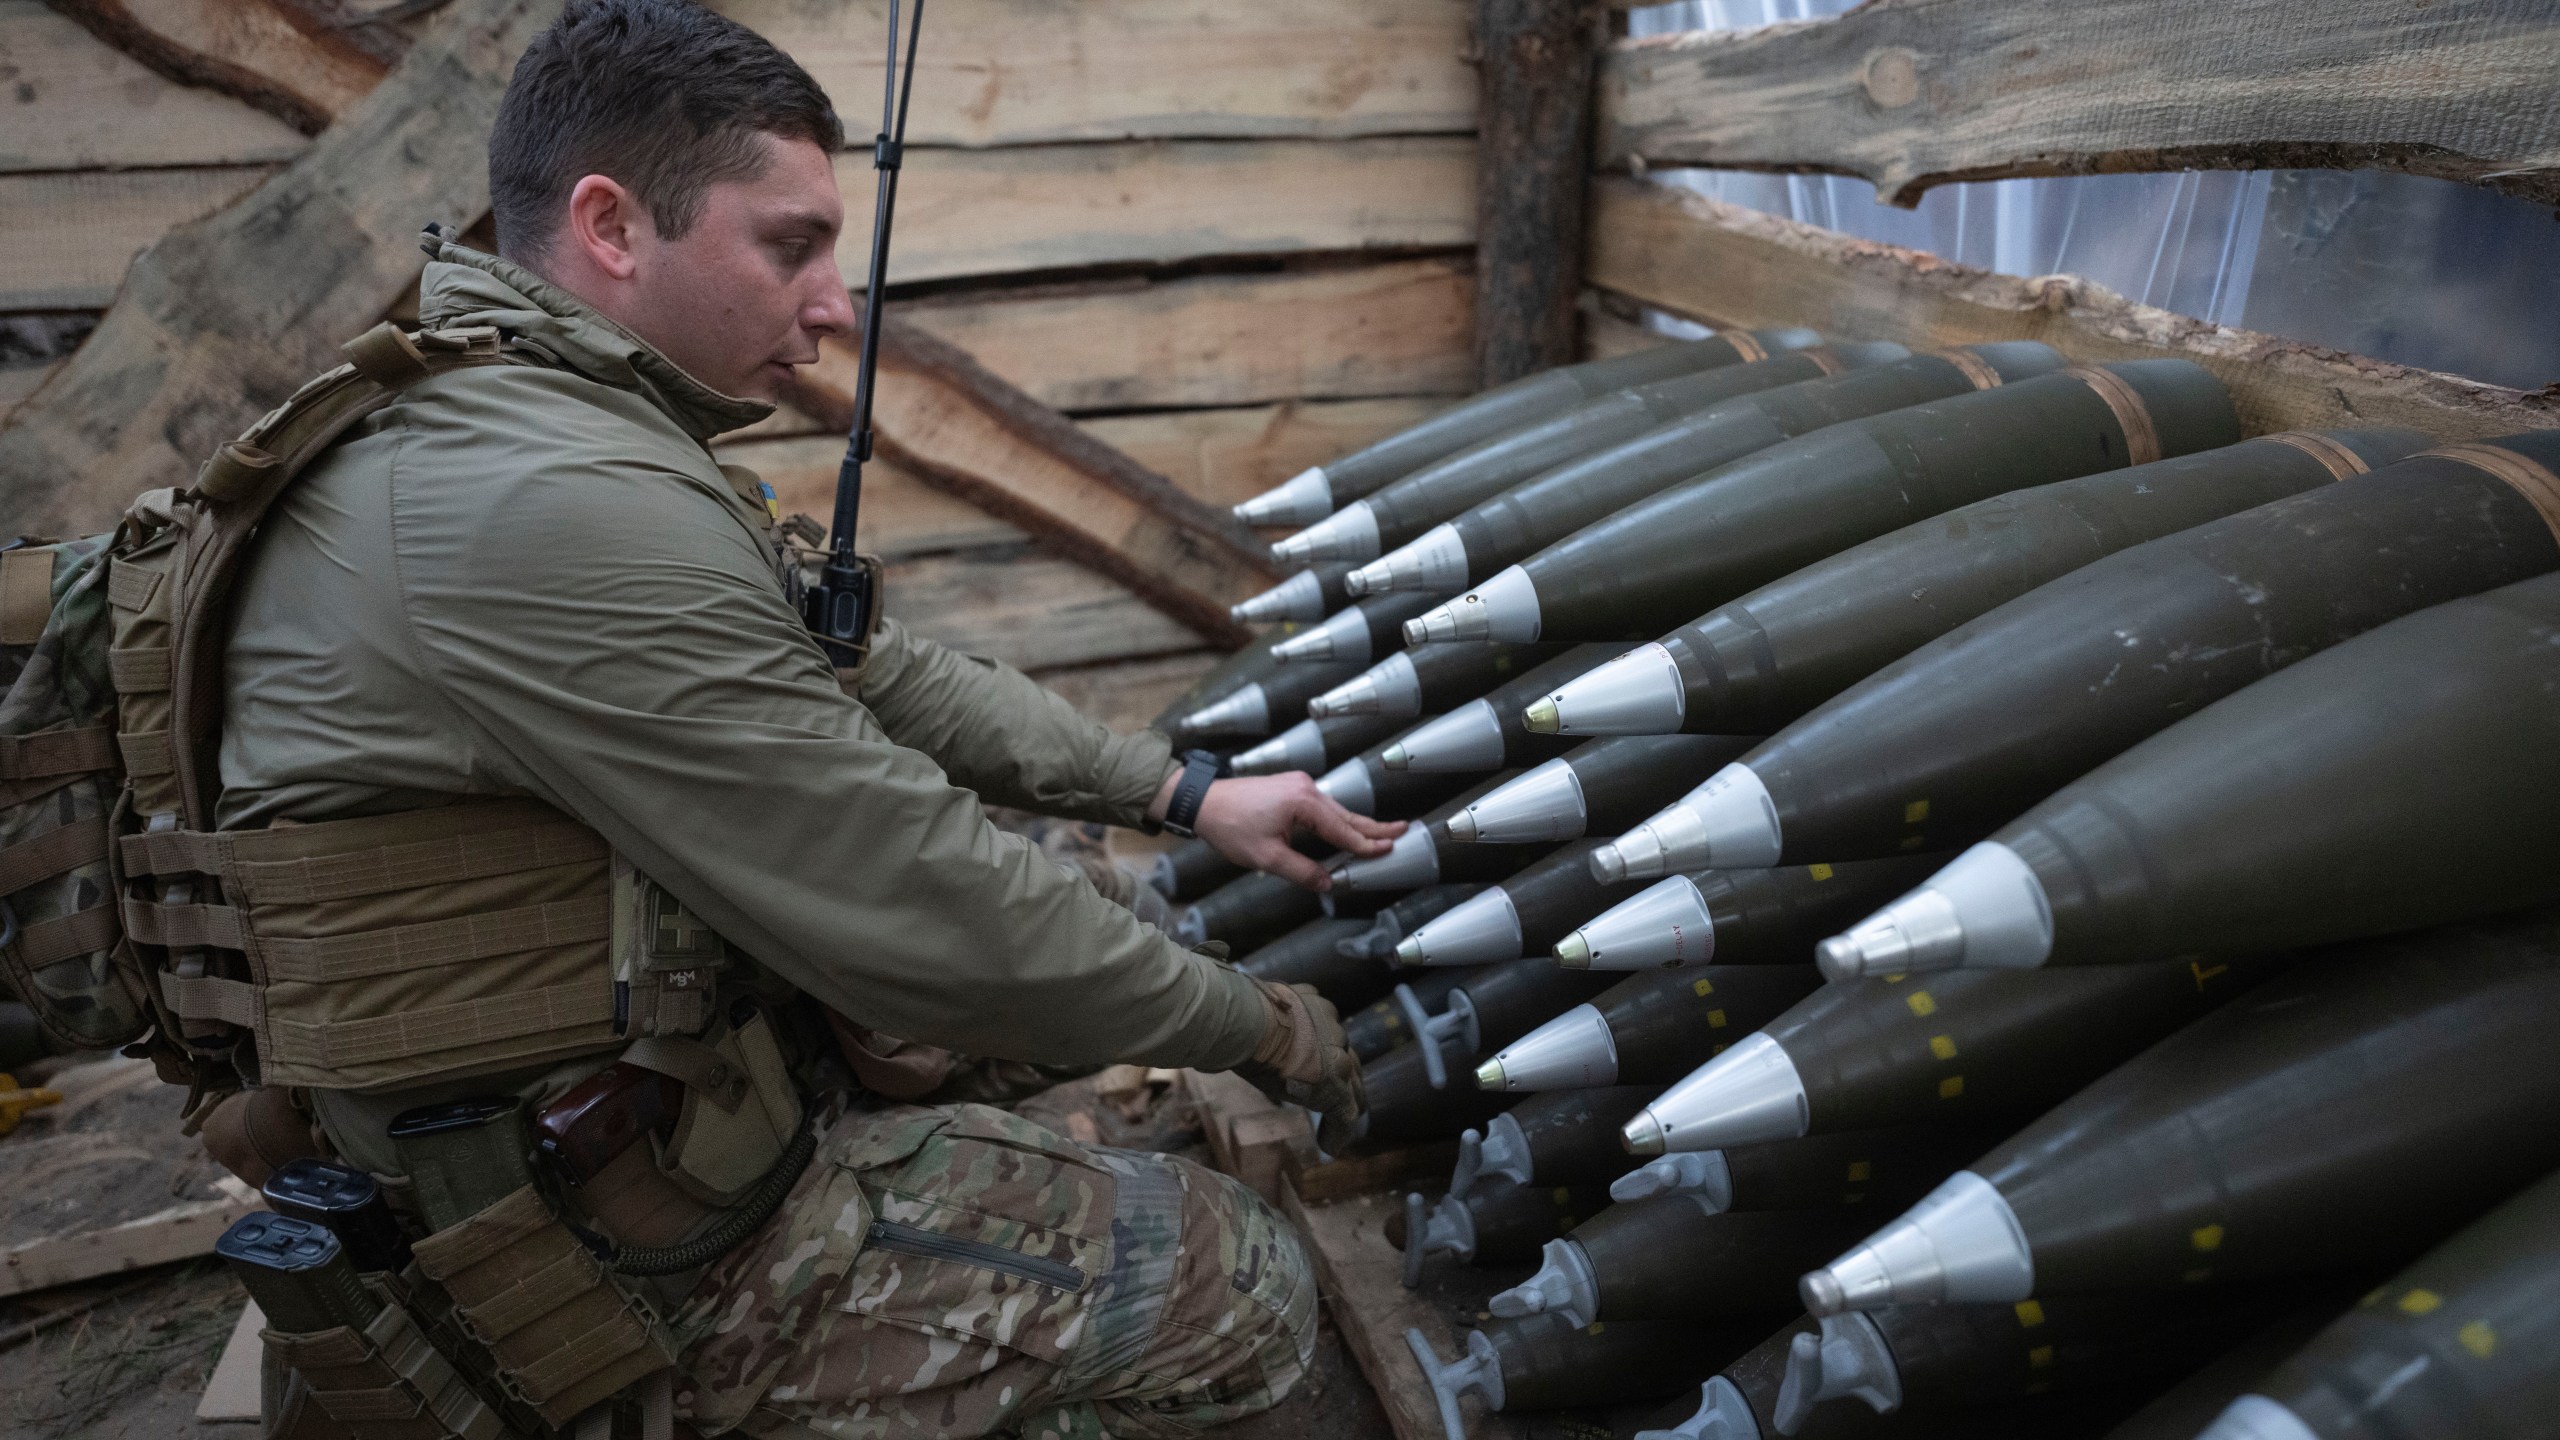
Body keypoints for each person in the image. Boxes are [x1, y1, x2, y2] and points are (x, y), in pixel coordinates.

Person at [212, 0, 1400, 1433]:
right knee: (1241, 1279)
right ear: (611, 225)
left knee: (1084, 922)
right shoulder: (544, 507)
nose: (835, 303)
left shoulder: (537, 425)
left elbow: (873, 674)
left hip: (581, 1108)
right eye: (791, 245)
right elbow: (912, 886)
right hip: (583, 1256)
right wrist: (1267, 1034)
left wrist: (1182, 794)